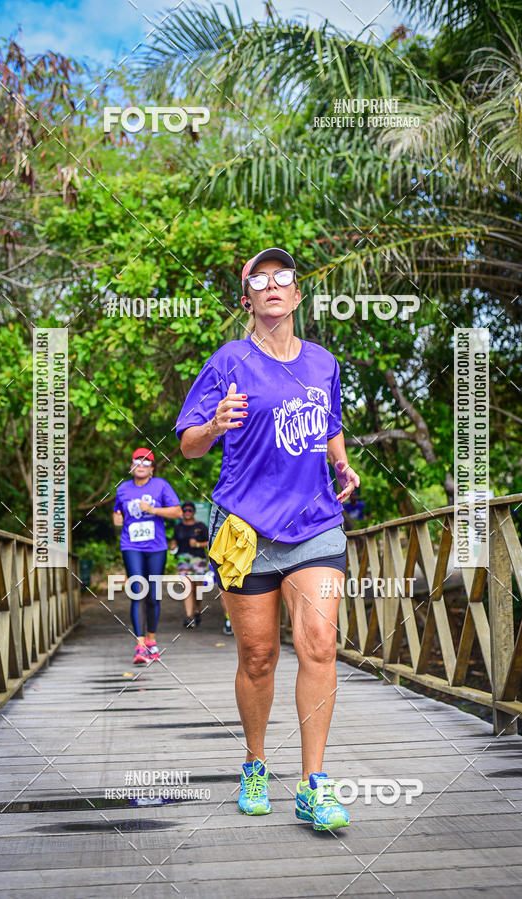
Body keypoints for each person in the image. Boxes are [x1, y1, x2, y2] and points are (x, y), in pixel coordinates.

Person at [175, 247, 360, 831]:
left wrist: (342, 464)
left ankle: (313, 784)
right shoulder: (228, 362)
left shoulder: (323, 363)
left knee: (319, 645)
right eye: (261, 279)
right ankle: (255, 765)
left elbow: (329, 424)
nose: (273, 285)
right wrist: (213, 425)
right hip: (246, 529)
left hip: (315, 525)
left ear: (297, 294)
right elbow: (188, 445)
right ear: (248, 299)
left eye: (283, 277)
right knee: (258, 658)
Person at [112, 447, 182, 664]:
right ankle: (140, 645)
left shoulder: (161, 485)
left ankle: (151, 640)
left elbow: (177, 511)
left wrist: (153, 510)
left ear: (152, 468)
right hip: (131, 545)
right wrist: (117, 519)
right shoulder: (123, 488)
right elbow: (117, 512)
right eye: (137, 461)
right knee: (137, 592)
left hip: (156, 547)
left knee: (152, 595)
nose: (141, 465)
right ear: (131, 466)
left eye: (146, 462)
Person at [169, 502, 209, 628]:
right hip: (183, 559)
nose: (187, 512)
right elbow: (175, 540)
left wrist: (197, 544)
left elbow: (210, 543)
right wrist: (173, 545)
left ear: (194, 512)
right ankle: (189, 616)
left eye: (190, 510)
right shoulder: (178, 527)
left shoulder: (201, 526)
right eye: (185, 510)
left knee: (198, 588)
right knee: (187, 586)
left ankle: (197, 610)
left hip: (199, 559)